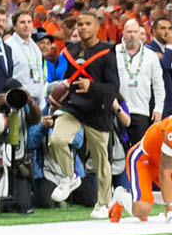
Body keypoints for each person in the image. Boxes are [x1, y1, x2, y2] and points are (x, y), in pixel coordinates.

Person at [48, 13, 121, 216]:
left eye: (87, 24)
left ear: (97, 27)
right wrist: (57, 95)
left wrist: (92, 86)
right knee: (57, 140)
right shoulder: (70, 51)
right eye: (79, 24)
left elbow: (113, 87)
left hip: (99, 109)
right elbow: (67, 80)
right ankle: (70, 176)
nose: (82, 28)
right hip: (74, 108)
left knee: (100, 160)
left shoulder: (108, 51)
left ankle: (103, 203)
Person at [114, 19, 166, 151]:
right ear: (123, 33)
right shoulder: (114, 52)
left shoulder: (151, 56)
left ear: (140, 34)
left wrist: (158, 108)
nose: (132, 35)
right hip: (117, 109)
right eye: (129, 32)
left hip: (141, 110)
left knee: (140, 152)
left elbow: (158, 84)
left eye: (135, 32)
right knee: (117, 151)